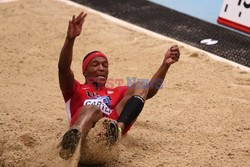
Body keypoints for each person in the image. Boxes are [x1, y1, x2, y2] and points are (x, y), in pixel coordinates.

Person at [58, 11, 180, 160]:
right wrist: (70, 39)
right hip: (84, 135)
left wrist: (165, 65)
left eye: (105, 65)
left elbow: (150, 90)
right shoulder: (75, 88)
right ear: (84, 71)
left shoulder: (115, 91)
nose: (101, 68)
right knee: (93, 109)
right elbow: (63, 69)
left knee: (141, 85)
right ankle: (72, 141)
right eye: (95, 64)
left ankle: (116, 132)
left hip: (103, 138)